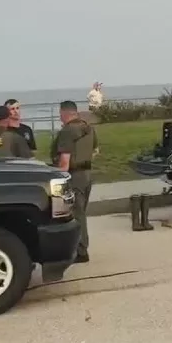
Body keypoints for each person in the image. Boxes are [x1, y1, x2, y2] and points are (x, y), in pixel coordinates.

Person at [51, 100, 97, 263]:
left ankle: (81, 251)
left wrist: (57, 178)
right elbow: (95, 151)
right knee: (81, 211)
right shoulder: (88, 128)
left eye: (60, 114)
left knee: (76, 214)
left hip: (73, 175)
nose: (60, 117)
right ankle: (80, 247)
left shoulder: (67, 131)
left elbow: (64, 161)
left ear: (64, 113)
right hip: (87, 174)